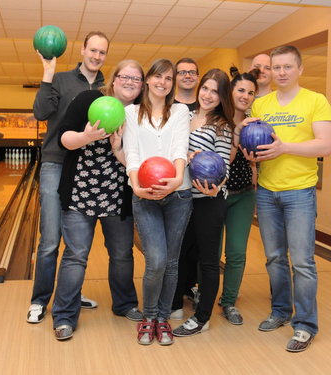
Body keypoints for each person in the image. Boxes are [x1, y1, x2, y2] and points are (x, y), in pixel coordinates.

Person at [245, 45, 331, 352]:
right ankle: (281, 311)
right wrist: (249, 153)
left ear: (300, 69)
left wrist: (285, 148)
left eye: (286, 67)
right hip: (268, 191)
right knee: (273, 258)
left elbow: (325, 145)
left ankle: (305, 324)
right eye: (276, 67)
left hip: (300, 192)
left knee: (302, 261)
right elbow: (256, 144)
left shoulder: (316, 101)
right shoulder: (261, 104)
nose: (280, 72)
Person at [51, 60, 145, 341]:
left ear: (141, 86)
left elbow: (138, 160)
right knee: (76, 255)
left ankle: (125, 304)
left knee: (121, 253)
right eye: (125, 76)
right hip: (81, 191)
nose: (130, 82)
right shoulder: (90, 99)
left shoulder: (140, 114)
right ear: (114, 80)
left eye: (136, 79)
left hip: (118, 194)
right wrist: (87, 136)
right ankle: (65, 316)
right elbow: (63, 139)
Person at [27, 31, 109, 324]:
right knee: (50, 239)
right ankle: (39, 301)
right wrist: (48, 74)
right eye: (93, 50)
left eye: (102, 52)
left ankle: (71, 295)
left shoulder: (107, 88)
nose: (97, 56)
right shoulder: (61, 79)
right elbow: (41, 112)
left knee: (77, 243)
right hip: (56, 162)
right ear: (83, 50)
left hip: (86, 168)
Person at [123, 59, 192, 346]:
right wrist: (137, 187)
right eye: (157, 76)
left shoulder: (180, 110)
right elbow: (133, 152)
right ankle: (149, 316)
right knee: (157, 261)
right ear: (147, 80)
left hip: (178, 195)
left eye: (168, 78)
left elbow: (180, 146)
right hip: (145, 195)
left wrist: (176, 180)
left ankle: (163, 318)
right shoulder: (131, 112)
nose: (162, 82)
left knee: (172, 262)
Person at [172, 69, 234, 337]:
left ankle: (202, 317)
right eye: (205, 88)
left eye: (215, 92)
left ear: (222, 98)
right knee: (181, 254)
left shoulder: (222, 125)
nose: (208, 95)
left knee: (208, 261)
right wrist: (186, 153)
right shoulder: (182, 116)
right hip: (182, 197)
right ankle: (174, 304)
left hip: (209, 200)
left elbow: (225, 167)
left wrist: (214, 189)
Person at [218, 68, 259, 325]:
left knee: (236, 252)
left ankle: (229, 301)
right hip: (215, 194)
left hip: (243, 194)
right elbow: (227, 160)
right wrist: (236, 131)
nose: (245, 96)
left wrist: (255, 169)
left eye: (251, 92)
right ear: (231, 92)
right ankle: (203, 291)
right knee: (210, 252)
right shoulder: (219, 119)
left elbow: (252, 158)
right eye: (241, 90)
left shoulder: (255, 122)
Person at [172, 57, 200, 314]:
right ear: (175, 77)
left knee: (193, 242)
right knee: (176, 243)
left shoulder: (206, 104)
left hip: (201, 185)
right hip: (175, 184)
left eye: (192, 72)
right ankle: (173, 289)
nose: (187, 76)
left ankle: (189, 285)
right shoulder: (168, 104)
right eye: (182, 72)